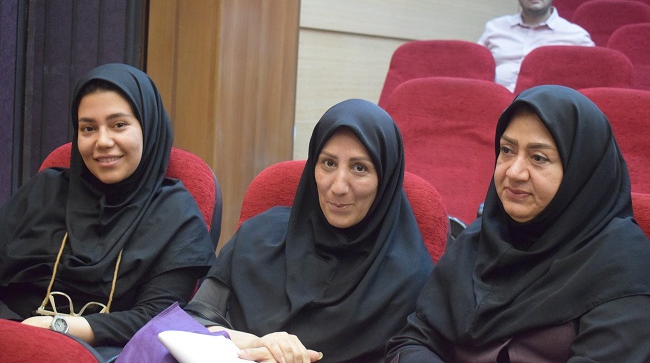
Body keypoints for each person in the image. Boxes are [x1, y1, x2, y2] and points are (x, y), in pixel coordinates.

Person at [385, 85, 650, 362]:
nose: (514, 172)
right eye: (507, 150)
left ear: (581, 170)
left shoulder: (623, 265)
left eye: (538, 158)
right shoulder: (481, 238)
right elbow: (413, 339)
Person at [182, 99, 434, 362]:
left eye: (359, 168)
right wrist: (257, 344)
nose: (338, 187)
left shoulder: (411, 280)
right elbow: (190, 322)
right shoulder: (257, 235)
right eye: (328, 163)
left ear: (386, 178)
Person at [0, 63, 216, 352]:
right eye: (88, 128)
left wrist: (57, 327)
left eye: (119, 125)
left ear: (148, 128)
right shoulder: (44, 191)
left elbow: (159, 319)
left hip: (106, 353)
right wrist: (14, 333)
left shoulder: (176, 215)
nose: (102, 141)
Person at [477, 0, 594, 92]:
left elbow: (590, 85)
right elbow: (474, 69)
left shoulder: (576, 37)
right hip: (495, 101)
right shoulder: (495, 28)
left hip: (548, 104)